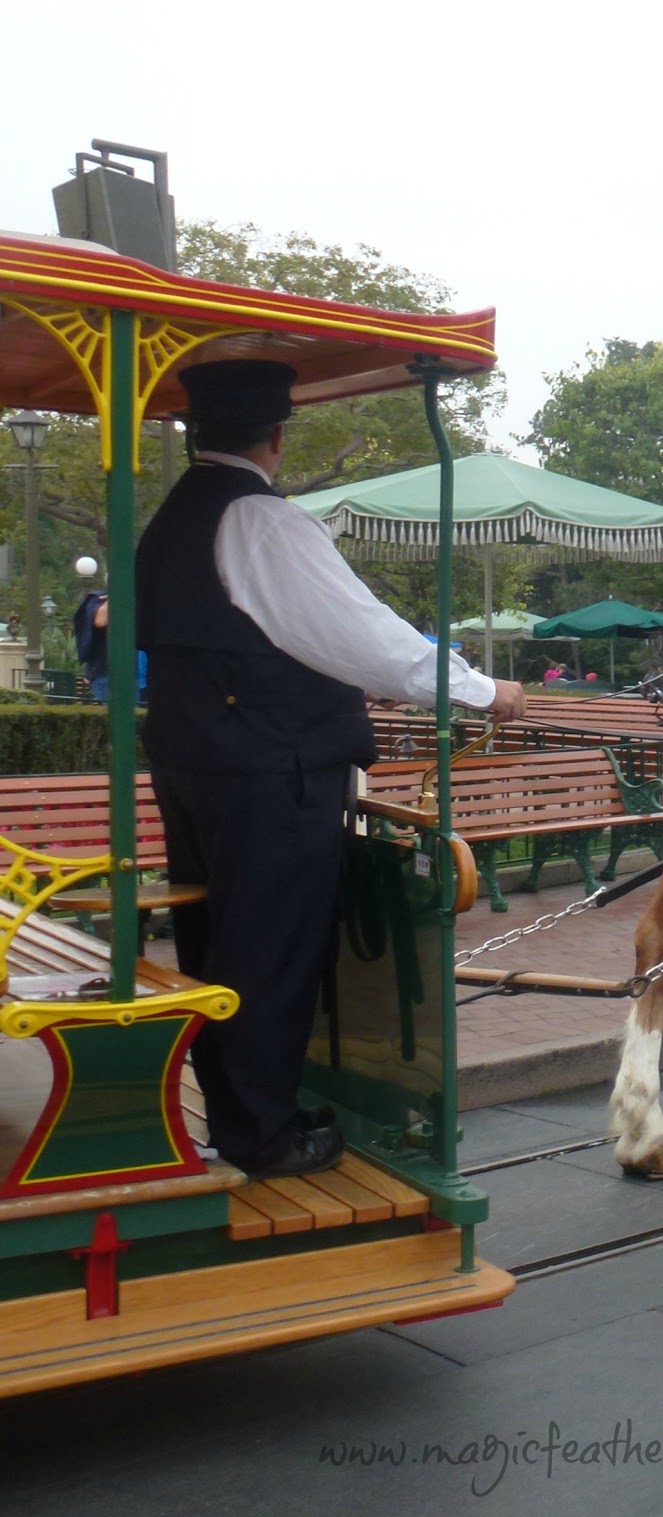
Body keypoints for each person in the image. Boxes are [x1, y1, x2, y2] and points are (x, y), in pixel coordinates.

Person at [135, 359, 527, 1180]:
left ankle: (246, 1112)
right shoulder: (262, 520)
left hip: (196, 760)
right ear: (277, 436)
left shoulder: (174, 514)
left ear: (198, 430)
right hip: (271, 768)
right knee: (270, 948)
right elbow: (366, 639)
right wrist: (485, 691)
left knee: (218, 945)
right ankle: (263, 1134)